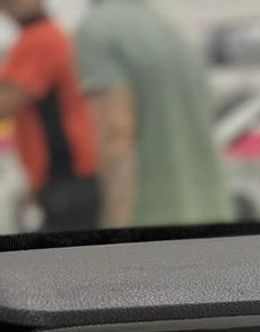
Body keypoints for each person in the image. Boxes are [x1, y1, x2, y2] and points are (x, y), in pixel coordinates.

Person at [74, 0, 234, 229]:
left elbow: (116, 133)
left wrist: (113, 231)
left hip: (154, 221)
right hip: (213, 212)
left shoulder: (97, 29)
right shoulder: (170, 31)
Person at [0, 0, 99, 232]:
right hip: (69, 178)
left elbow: (6, 103)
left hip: (68, 177)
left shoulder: (39, 39)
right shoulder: (49, 36)